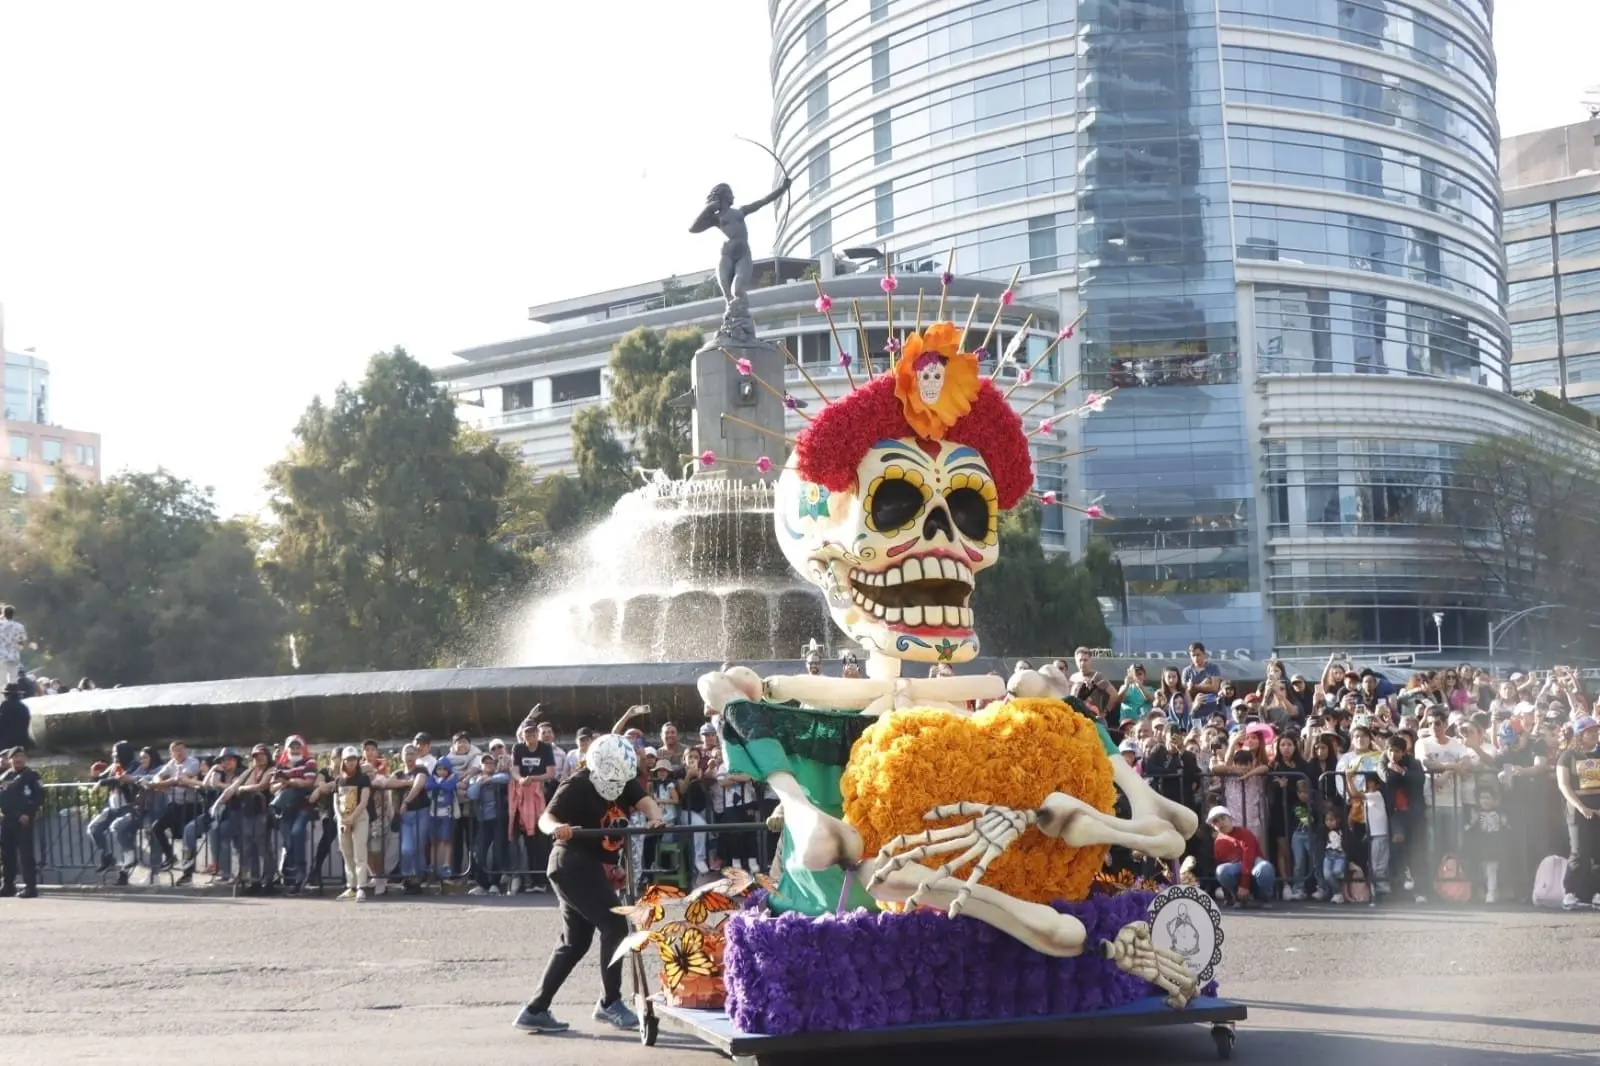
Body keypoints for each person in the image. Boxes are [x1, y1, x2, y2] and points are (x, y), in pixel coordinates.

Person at [514, 735, 666, 1035]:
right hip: (571, 861)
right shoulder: (578, 783)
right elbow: (547, 816)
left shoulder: (623, 777)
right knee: (615, 925)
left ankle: (535, 1010)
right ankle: (610, 1003)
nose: (615, 784)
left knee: (576, 942)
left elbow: (645, 800)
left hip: (589, 866)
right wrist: (557, 828)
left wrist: (655, 818)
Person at [1556, 716, 1600, 910]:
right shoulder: (1568, 756)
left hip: (1597, 804)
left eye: (1596, 731)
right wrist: (1581, 806)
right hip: (1578, 807)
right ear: (1580, 734)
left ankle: (1596, 892)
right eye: (1591, 732)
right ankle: (1570, 891)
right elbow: (1564, 785)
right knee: (1579, 851)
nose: (1595, 735)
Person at [1208, 805, 1273, 908]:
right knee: (1221, 870)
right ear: (1213, 826)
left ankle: (1263, 898)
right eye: (1216, 821)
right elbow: (1220, 864)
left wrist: (1244, 885)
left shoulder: (1244, 833)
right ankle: (1238, 898)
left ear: (1230, 818)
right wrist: (1227, 896)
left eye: (1223, 818)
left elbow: (1248, 859)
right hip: (1239, 873)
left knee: (1264, 867)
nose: (1221, 822)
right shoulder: (1218, 841)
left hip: (1252, 868)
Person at [0, 745, 42, 896]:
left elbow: (38, 797)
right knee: (7, 854)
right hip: (8, 819)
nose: (19, 760)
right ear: (10, 760)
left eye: (21, 757)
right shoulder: (5, 777)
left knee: (26, 855)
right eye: (15, 757)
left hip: (24, 820)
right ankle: (8, 885)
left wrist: (28, 813)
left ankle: (30, 887)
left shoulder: (31, 776)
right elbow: (4, 799)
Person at [332, 746, 372, 901]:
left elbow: (363, 801)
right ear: (343, 761)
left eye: (353, 759)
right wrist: (341, 817)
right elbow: (336, 800)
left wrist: (352, 818)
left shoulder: (363, 778)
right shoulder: (338, 779)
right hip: (343, 818)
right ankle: (351, 886)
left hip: (359, 817)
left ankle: (362, 886)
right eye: (348, 759)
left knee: (359, 853)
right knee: (347, 853)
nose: (351, 762)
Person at [0, 605, 26, 685]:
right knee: (14, 680)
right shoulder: (20, 627)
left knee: (2, 681)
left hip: (1, 656)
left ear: (3, 614)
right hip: (14, 656)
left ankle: (2, 697)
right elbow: (22, 642)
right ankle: (13, 696)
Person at [0, 681, 28, 752]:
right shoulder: (23, 707)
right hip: (21, 741)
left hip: (6, 742)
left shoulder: (5, 706)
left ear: (7, 695)